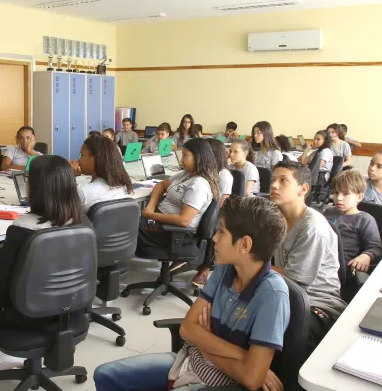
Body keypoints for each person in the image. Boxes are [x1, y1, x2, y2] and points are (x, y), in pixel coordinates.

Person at [94, 196, 289, 391]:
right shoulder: (225, 269)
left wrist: (204, 339)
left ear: (244, 245)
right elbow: (187, 329)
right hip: (190, 360)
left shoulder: (272, 294)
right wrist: (244, 356)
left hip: (220, 382)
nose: (214, 238)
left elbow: (251, 378)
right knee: (105, 375)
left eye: (221, 232)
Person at [0, 155, 91, 368]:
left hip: (24, 316)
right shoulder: (84, 223)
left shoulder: (23, 228)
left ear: (36, 188)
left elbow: (2, 288)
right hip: (73, 311)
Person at [269, 160, 346, 353]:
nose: (274, 185)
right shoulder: (277, 218)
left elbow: (295, 280)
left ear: (302, 189)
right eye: (273, 179)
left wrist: (252, 264)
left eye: (283, 180)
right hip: (284, 292)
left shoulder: (312, 227)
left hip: (316, 303)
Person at [137, 138, 219, 250]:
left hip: (172, 231)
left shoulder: (199, 184)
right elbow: (161, 185)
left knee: (129, 225)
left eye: (185, 155)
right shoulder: (186, 174)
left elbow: (183, 220)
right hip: (160, 219)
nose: (181, 160)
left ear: (198, 157)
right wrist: (151, 206)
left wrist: (150, 215)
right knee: (127, 220)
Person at [174, 138, 233, 288]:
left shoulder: (224, 175)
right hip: (200, 210)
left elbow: (221, 205)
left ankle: (204, 269)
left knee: (213, 229)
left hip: (217, 215)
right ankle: (183, 253)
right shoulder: (202, 173)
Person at [325, 171, 382, 274]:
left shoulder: (364, 219)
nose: (338, 198)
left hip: (341, 269)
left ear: (359, 197)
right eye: (336, 192)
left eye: (346, 194)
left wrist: (366, 256)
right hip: (321, 260)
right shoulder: (328, 212)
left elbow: (375, 248)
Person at [76, 136, 134, 211]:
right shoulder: (125, 186)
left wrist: (68, 176)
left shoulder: (82, 192)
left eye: (82, 155)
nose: (78, 160)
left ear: (95, 159)